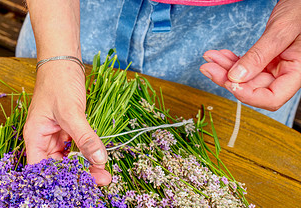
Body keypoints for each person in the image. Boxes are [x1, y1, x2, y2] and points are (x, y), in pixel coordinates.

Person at [16, 0, 301, 186]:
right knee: (44, 137)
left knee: (231, 174)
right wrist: (57, 59)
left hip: (241, 28)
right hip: (70, 14)